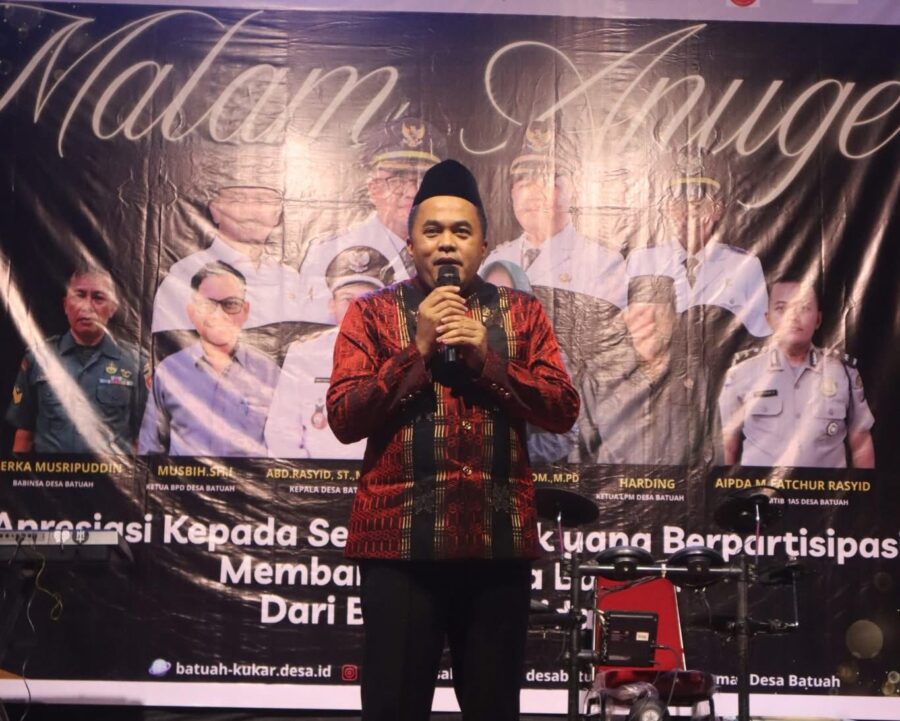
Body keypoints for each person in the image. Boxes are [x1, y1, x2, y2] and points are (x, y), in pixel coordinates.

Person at [326, 159, 579, 720]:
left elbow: (562, 409)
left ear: (483, 245)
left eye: (461, 232)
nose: (446, 244)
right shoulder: (370, 314)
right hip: (399, 548)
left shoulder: (522, 313)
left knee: (493, 708)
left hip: (496, 547)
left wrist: (487, 359)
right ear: (411, 243)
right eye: (432, 231)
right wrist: (415, 351)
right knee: (393, 707)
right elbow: (344, 417)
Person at [297, 117, 445, 323]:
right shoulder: (330, 252)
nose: (412, 192)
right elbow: (319, 335)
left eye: (422, 180)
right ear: (373, 189)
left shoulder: (455, 251)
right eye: (397, 180)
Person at [718, 278, 875, 468]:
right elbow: (728, 446)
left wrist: (867, 488)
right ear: (768, 319)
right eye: (781, 308)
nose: (793, 316)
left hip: (826, 487)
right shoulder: (742, 373)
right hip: (762, 487)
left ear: (818, 319)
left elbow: (860, 442)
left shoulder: (842, 372)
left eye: (803, 307)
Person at [139, 261, 280, 456]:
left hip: (247, 477)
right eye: (207, 305)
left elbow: (283, 448)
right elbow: (150, 449)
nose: (219, 314)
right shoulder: (169, 371)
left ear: (245, 311)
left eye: (231, 304)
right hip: (184, 477)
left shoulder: (270, 374)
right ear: (191, 312)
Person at [625, 150, 770, 339]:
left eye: (699, 203)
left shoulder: (745, 265)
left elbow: (759, 334)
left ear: (717, 210)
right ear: (667, 208)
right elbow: (629, 330)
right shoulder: (642, 261)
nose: (690, 212)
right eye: (679, 202)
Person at [481, 120, 627, 307]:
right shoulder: (495, 260)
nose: (533, 194)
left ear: (572, 190)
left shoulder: (603, 263)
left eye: (547, 183)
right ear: (512, 193)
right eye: (523, 183)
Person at [266, 246, 393, 459]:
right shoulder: (304, 354)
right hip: (316, 475)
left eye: (366, 301)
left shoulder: (397, 352)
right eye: (348, 300)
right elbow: (281, 433)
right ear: (331, 305)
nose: (357, 310)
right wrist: (309, 476)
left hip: (378, 475)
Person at [6, 263, 146, 454]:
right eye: (79, 295)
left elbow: (142, 438)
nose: (86, 306)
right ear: (66, 305)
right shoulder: (39, 358)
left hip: (111, 473)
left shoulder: (136, 363)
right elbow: (24, 434)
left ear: (113, 308)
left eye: (98, 297)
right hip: (52, 473)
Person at [578, 275, 714, 466]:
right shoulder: (598, 375)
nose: (651, 324)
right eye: (641, 314)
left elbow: (710, 445)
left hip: (676, 484)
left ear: (675, 319)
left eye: (660, 314)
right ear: (626, 319)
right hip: (615, 484)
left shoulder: (697, 375)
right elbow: (581, 448)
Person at [151, 185, 306, 333]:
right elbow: (170, 346)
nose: (251, 211)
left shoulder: (289, 277)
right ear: (215, 210)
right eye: (238, 199)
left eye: (263, 201)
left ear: (278, 212)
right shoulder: (184, 276)